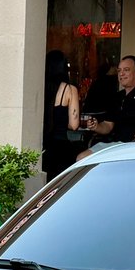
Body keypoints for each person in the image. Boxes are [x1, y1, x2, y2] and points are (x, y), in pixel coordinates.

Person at [41, 48, 83, 178]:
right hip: (61, 148)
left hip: (43, 145)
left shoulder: (40, 87)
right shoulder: (69, 89)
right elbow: (74, 125)